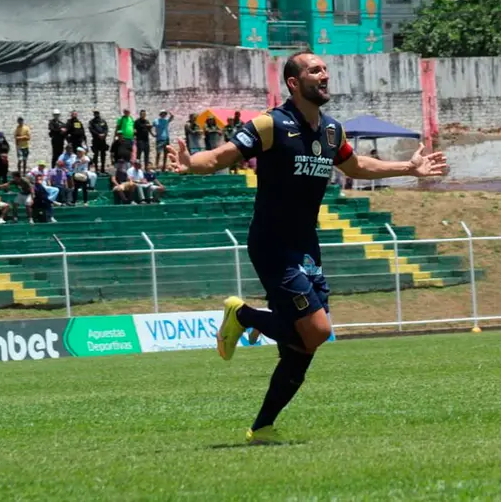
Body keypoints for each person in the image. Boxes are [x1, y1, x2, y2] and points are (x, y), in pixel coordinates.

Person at [168, 50, 448, 445]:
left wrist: (408, 168)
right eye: (315, 70)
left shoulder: (332, 131)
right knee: (316, 331)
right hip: (271, 243)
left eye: (326, 70)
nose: (324, 75)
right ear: (294, 83)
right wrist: (190, 163)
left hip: (305, 247)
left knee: (302, 347)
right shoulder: (270, 124)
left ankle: (262, 426)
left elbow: (355, 167)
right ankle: (244, 315)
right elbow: (222, 156)